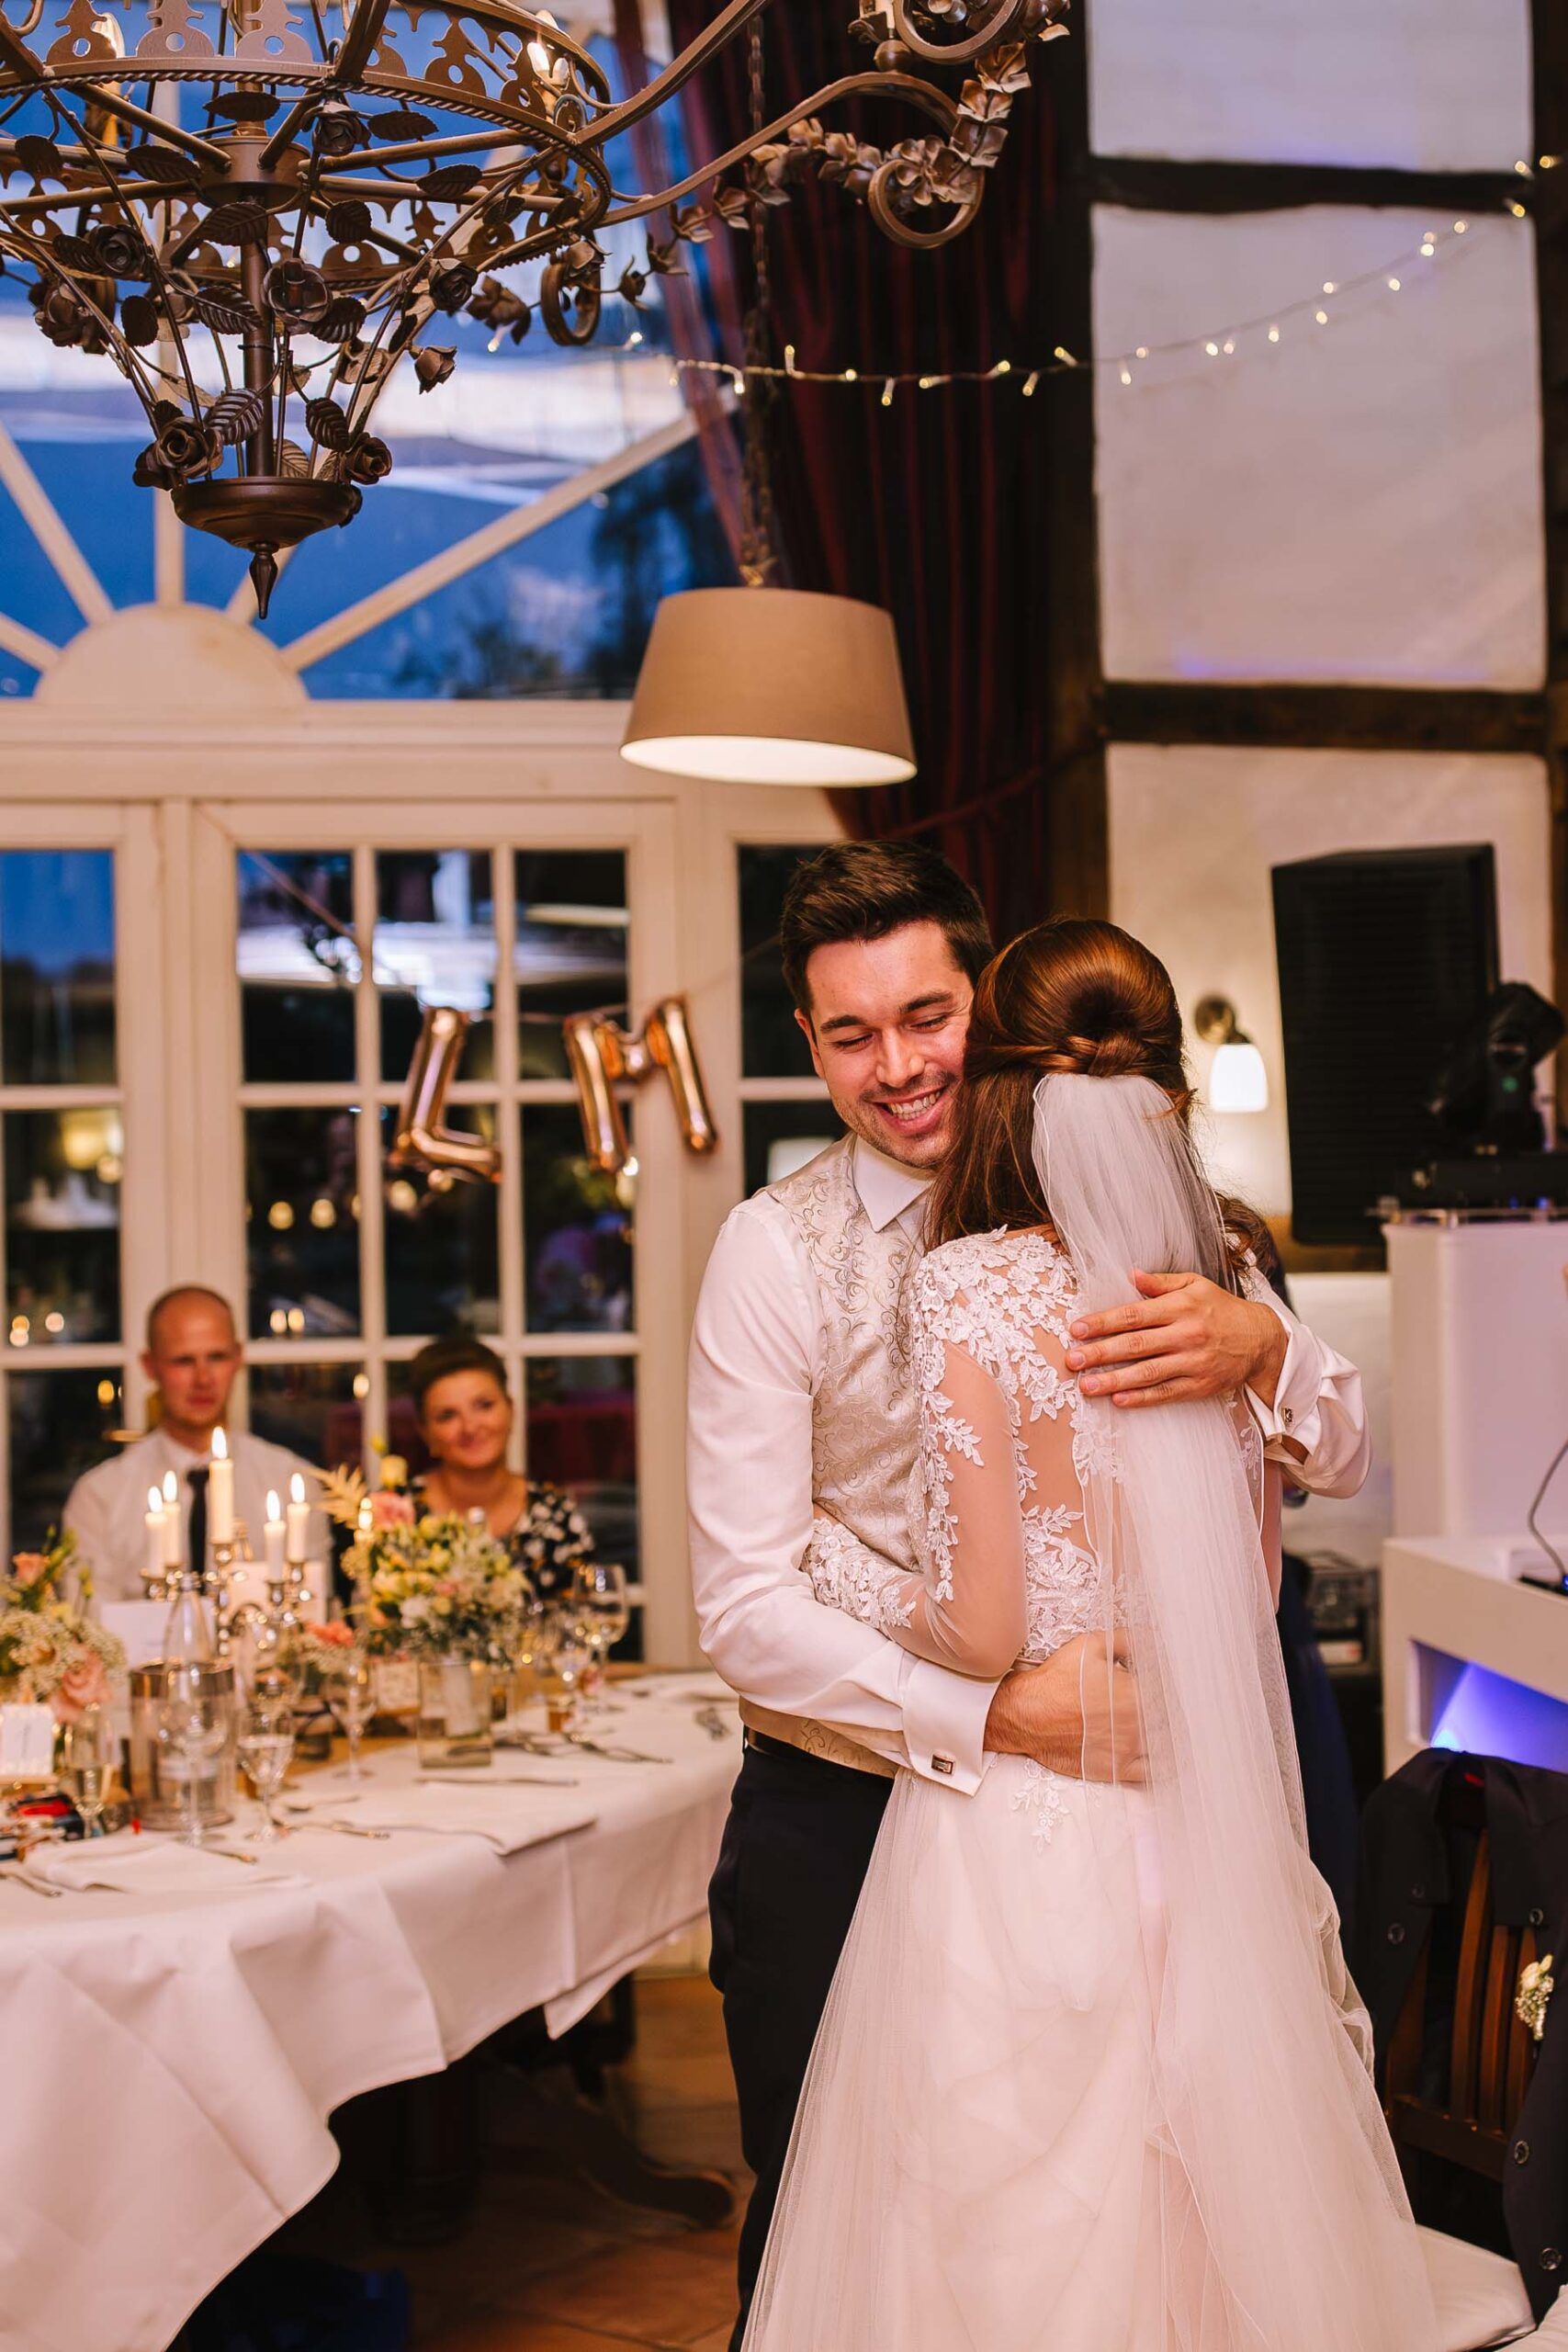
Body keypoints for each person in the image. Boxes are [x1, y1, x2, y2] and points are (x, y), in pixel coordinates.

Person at [687, 843, 1374, 2349]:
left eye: (925, 1017)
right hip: (845, 1804)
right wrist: (993, 1714)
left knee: (1177, 2204)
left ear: (988, 1007)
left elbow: (1337, 1451)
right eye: (850, 1035)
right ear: (806, 1042)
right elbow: (739, 1607)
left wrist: (1265, 1351)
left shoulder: (1171, 1234)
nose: (896, 1068)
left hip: (1144, 1815)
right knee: (839, 2239)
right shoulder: (769, 1251)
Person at [65, 1285, 326, 1605]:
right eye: (183, 1361)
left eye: (216, 1357)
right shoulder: (101, 1497)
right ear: (150, 1366)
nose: (203, 1379)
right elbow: (90, 1622)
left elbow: (311, 1613)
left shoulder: (290, 1483)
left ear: (238, 1358)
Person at [407, 1336, 593, 1601]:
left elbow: (585, 1620)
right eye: (447, 1415)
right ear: (425, 1432)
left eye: (484, 1406)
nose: (470, 1427)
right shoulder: (396, 1517)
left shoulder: (556, 1518)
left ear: (511, 1410)